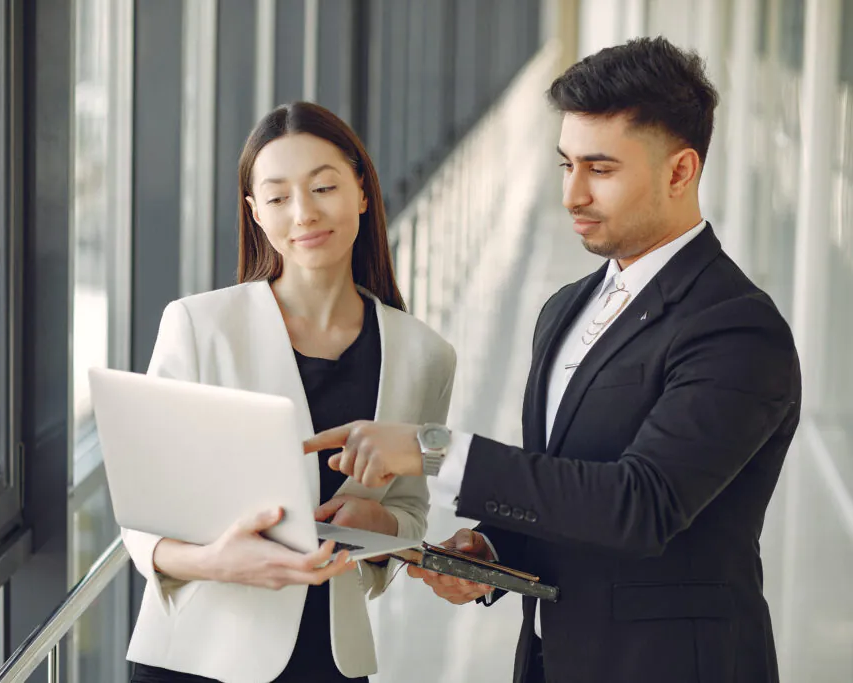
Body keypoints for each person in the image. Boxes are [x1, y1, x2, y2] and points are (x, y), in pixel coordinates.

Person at [304, 37, 801, 683]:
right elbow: (570, 482)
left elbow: (640, 505)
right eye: (565, 163)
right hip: (552, 659)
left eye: (600, 168)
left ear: (680, 171)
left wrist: (433, 450)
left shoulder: (736, 326)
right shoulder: (565, 308)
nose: (572, 194)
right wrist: (492, 549)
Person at [121, 101, 456, 683]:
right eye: (277, 198)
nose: (304, 213)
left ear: (361, 191)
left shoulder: (424, 355)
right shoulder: (199, 327)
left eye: (323, 187)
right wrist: (213, 562)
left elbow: (410, 513)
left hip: (330, 658)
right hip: (197, 655)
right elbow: (144, 517)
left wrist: (373, 524)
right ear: (255, 213)